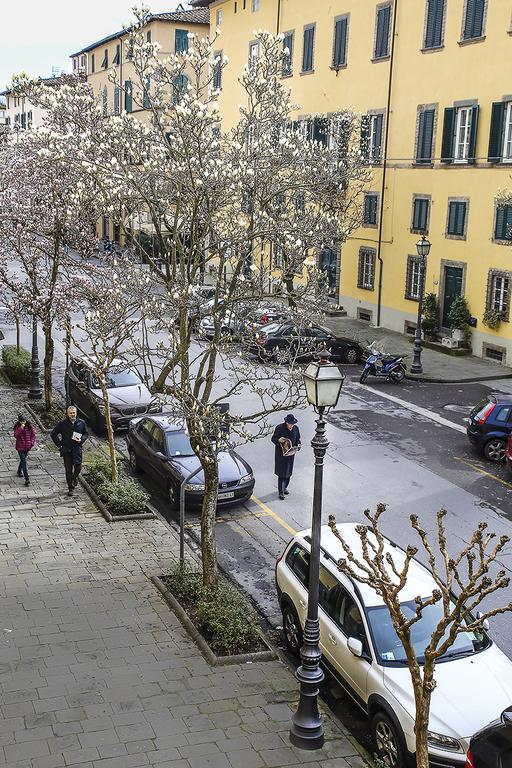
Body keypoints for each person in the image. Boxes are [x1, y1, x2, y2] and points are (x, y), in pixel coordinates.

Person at [50, 405, 89, 496]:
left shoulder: (81, 423)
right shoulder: (62, 424)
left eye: (74, 413)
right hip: (66, 450)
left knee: (78, 468)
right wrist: (60, 446)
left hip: (77, 449)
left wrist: (81, 440)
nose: (72, 414)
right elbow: (53, 434)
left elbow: (86, 434)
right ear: (67, 414)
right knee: (68, 470)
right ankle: (70, 487)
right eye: (70, 413)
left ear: (76, 413)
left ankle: (74, 478)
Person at [271, 414, 301, 500]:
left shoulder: (296, 429)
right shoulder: (279, 428)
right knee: (281, 474)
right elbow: (273, 439)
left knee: (288, 473)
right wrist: (278, 440)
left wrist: (298, 445)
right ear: (286, 422)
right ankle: (281, 492)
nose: (291, 425)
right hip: (281, 455)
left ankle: (284, 488)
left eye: (292, 424)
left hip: (291, 455)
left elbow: (298, 439)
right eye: (290, 424)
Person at [13, 415, 36, 487]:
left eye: (24, 421)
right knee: (24, 461)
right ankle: (27, 478)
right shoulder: (18, 427)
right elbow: (16, 435)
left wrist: (32, 443)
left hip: (27, 447)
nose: (23, 422)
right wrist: (21, 428)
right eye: (21, 421)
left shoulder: (29, 426)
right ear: (19, 421)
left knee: (23, 460)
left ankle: (19, 471)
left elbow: (33, 435)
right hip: (20, 447)